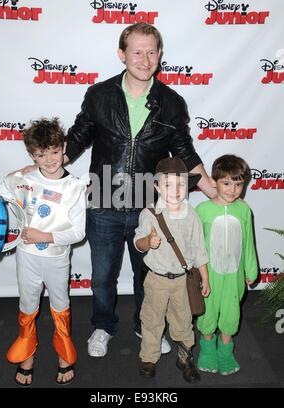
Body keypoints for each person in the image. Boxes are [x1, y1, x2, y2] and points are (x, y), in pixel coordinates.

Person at [20, 23, 215, 358]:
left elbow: (185, 151)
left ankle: (146, 326)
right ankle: (103, 326)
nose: (144, 58)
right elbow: (79, 136)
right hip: (103, 202)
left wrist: (214, 190)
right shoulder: (99, 95)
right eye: (137, 51)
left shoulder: (172, 103)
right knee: (102, 278)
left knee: (148, 278)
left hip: (148, 207)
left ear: (160, 55)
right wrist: (47, 165)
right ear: (122, 54)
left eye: (151, 51)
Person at [0, 118, 86, 386]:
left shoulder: (74, 187)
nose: (50, 160)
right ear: (32, 155)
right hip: (26, 258)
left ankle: (64, 354)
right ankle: (27, 354)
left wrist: (46, 236)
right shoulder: (22, 178)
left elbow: (78, 233)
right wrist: (17, 176)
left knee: (60, 305)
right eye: (41, 155)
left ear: (64, 148)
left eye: (54, 152)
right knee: (28, 305)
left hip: (56, 259)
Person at [134, 157, 210, 382]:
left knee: (184, 321)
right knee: (152, 319)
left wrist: (204, 277)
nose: (175, 190)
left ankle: (185, 358)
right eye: (168, 184)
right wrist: (148, 241)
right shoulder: (149, 213)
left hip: (182, 281)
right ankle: (148, 357)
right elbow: (138, 244)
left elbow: (199, 250)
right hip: (156, 279)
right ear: (157, 186)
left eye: (180, 184)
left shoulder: (192, 214)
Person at [196, 154, 258, 375]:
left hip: (234, 275)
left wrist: (251, 269)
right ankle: (207, 350)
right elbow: (195, 244)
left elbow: (249, 242)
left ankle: (225, 352)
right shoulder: (202, 210)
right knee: (208, 314)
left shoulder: (244, 210)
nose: (232, 189)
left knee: (231, 315)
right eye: (226, 183)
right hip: (209, 275)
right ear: (213, 182)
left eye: (238, 184)